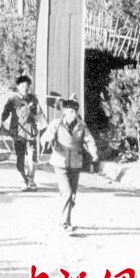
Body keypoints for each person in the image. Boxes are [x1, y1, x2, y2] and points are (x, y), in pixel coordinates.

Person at [40, 98, 99, 233]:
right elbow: (45, 137)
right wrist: (48, 140)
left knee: (72, 195)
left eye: (76, 111)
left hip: (75, 164)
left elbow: (89, 140)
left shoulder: (82, 126)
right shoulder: (56, 124)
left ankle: (66, 219)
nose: (74, 114)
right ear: (65, 111)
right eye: (71, 111)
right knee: (67, 192)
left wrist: (94, 153)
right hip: (60, 163)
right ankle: (65, 224)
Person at [1, 75, 44, 191]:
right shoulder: (12, 100)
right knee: (20, 157)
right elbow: (4, 115)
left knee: (32, 157)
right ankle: (22, 180)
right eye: (22, 86)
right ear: (18, 87)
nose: (25, 88)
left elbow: (39, 114)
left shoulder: (33, 99)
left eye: (27, 86)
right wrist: (0, 123)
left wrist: (43, 126)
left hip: (31, 131)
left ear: (29, 87)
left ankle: (31, 179)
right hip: (18, 133)